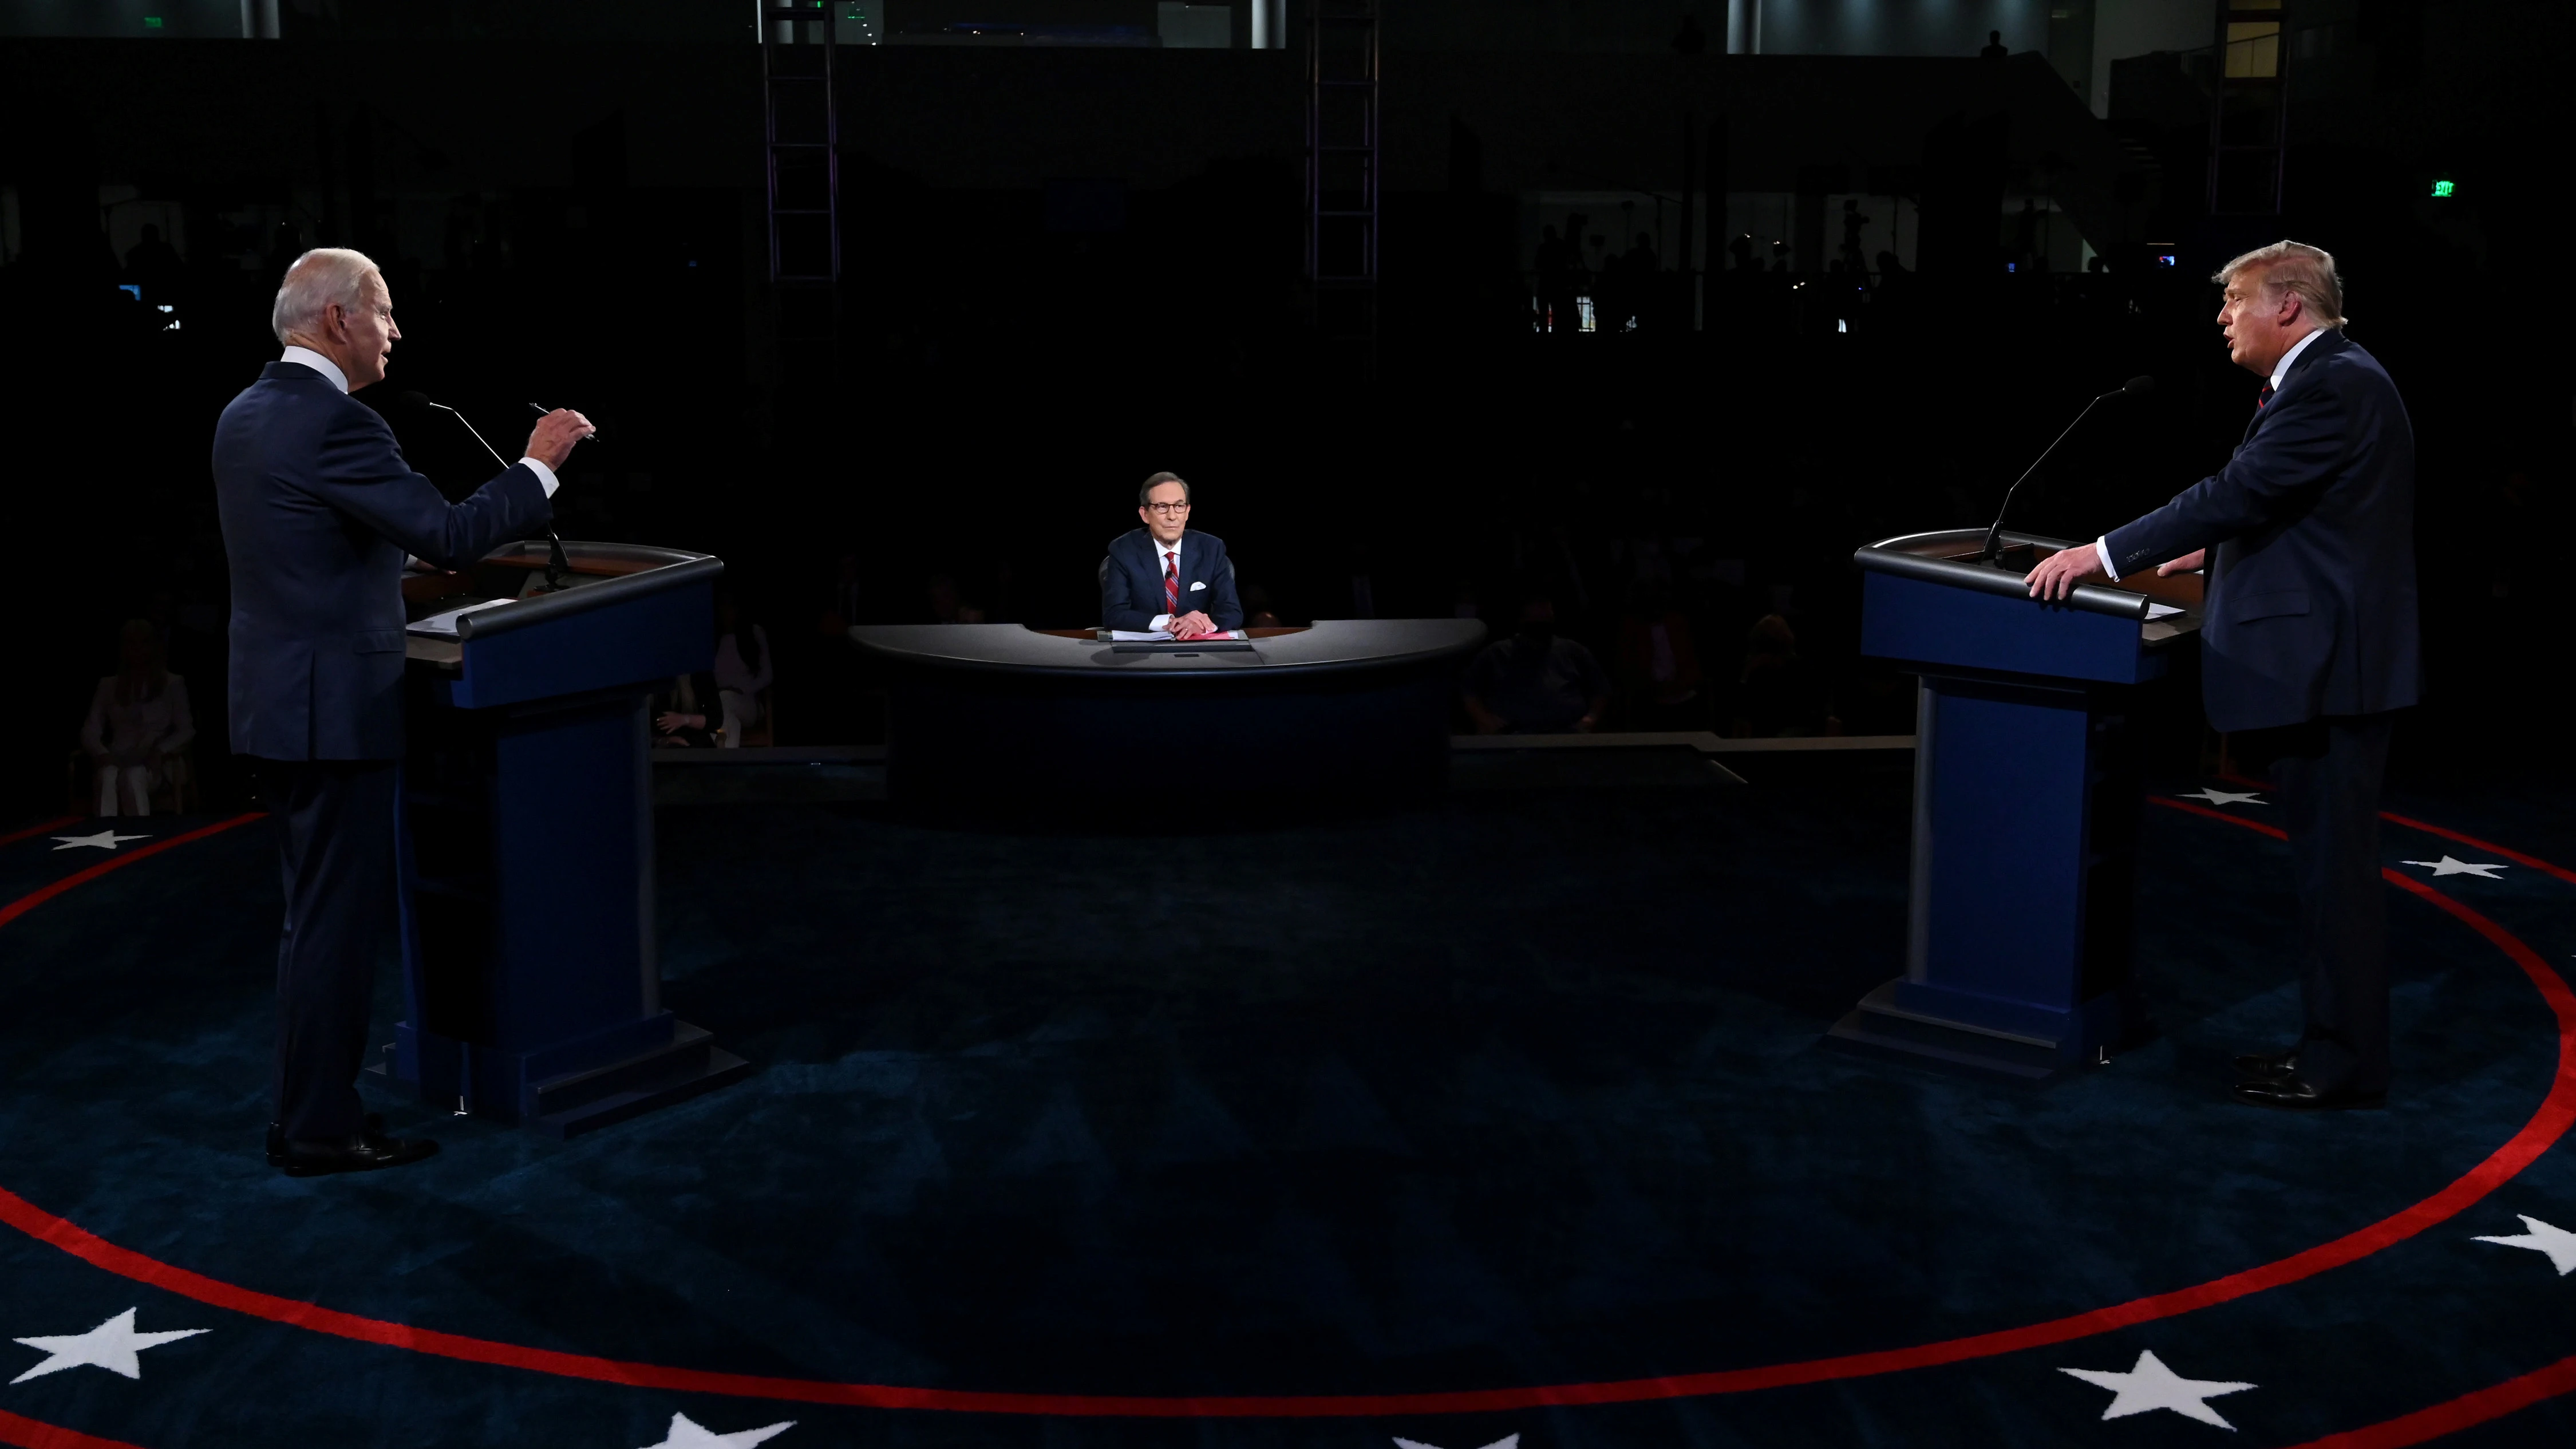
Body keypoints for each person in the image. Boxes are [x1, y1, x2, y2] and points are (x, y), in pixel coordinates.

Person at [214, 246, 594, 1176]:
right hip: (334, 712)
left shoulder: (244, 415)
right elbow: (455, 533)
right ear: (338, 320)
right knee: (334, 931)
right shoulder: (336, 425)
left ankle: (305, 1112)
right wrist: (537, 466)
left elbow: (306, 548)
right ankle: (320, 1130)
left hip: (277, 706)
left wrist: (387, 564)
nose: (396, 330)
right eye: (384, 310)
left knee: (313, 923)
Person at [2022, 240, 2417, 1112]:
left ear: (2288, 305)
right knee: (2324, 879)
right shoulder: (2332, 379)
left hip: (2330, 675)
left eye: (2234, 300)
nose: (2222, 317)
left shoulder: (2334, 383)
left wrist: (2106, 551)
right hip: (2326, 668)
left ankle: (2343, 1064)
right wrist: (2218, 545)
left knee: (2334, 881)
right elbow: (2296, 505)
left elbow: (2236, 490)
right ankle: (2329, 1049)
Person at [1100, 472, 1244, 638]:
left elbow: (1232, 612)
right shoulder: (1124, 550)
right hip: (1143, 653)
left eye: (1179, 506)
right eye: (1162, 506)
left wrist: (1202, 625)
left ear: (1187, 511)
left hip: (1199, 652)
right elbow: (1114, 615)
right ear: (1145, 514)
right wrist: (1169, 622)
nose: (1172, 516)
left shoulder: (1211, 549)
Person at [81, 619, 195, 817]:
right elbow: (91, 729)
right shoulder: (108, 685)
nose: (137, 650)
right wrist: (101, 753)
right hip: (119, 756)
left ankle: (139, 835)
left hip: (154, 761)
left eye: (143, 643)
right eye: (131, 644)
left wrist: (161, 750)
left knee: (134, 776)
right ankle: (105, 835)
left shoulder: (172, 683)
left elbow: (187, 729)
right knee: (107, 776)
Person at [1463, 594, 1609, 734]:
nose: (1540, 628)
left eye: (1545, 621)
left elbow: (1600, 690)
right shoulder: (1496, 653)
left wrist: (1590, 719)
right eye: (1535, 622)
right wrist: (1484, 720)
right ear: (1521, 621)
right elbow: (1469, 691)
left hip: (1567, 735)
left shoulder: (1575, 652)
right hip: (1510, 736)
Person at [712, 593, 773, 748]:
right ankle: (725, 758)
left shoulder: (754, 633)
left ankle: (719, 742)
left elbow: (767, 675)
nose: (726, 611)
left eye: (730, 606)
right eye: (723, 606)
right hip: (719, 703)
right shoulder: (713, 639)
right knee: (731, 720)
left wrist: (740, 690)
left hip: (747, 702)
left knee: (725, 701)